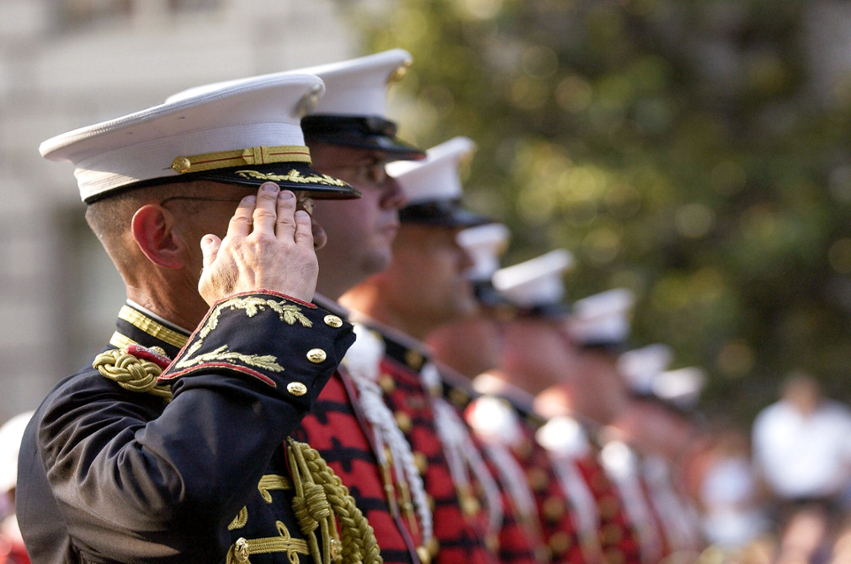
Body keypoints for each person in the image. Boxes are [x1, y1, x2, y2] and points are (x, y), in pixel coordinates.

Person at [17, 73, 368, 563]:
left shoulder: (266, 391)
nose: (312, 238)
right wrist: (258, 311)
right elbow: (172, 502)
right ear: (162, 237)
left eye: (302, 212)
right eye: (274, 213)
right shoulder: (79, 414)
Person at [342, 139, 587, 564]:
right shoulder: (350, 379)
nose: (466, 264)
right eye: (444, 241)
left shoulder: (418, 391)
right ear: (387, 246)